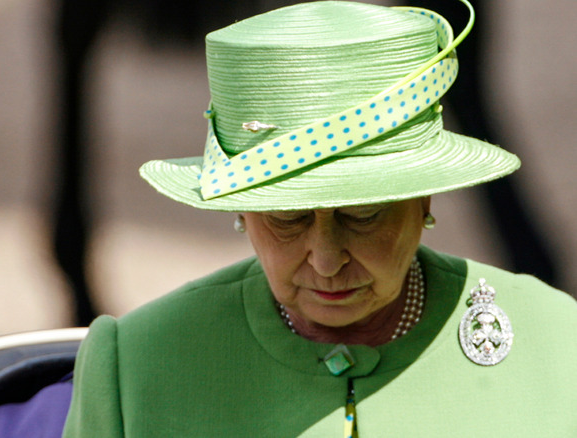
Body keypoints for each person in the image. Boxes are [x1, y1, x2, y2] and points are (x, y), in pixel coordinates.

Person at [62, 0, 577, 436]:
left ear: (426, 198)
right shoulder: (133, 368)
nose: (326, 262)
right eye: (287, 218)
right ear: (242, 208)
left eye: (364, 214)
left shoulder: (559, 347)